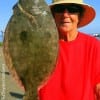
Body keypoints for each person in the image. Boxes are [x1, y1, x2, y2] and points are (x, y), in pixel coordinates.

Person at [38, 0, 100, 100]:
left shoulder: (94, 45)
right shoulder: (41, 46)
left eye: (72, 9)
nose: (65, 14)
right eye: (60, 9)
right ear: (53, 16)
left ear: (79, 16)